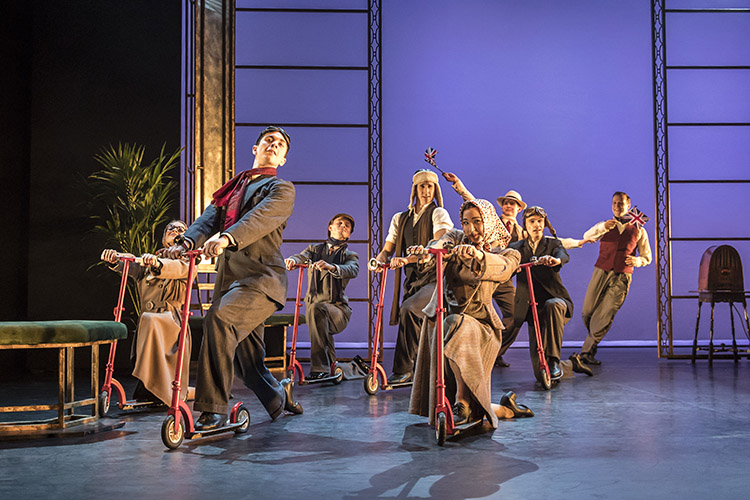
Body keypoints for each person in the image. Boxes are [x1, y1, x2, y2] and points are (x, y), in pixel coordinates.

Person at [164, 126, 302, 431]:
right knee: (247, 362)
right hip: (231, 281)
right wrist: (186, 242)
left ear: (283, 158)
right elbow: (207, 219)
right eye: (269, 140)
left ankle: (213, 409)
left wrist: (227, 238)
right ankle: (279, 397)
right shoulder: (232, 189)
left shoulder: (281, 189)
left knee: (220, 319)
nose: (274, 145)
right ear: (255, 148)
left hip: (262, 280)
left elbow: (259, 219)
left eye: (280, 145)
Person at [409, 199, 533, 429]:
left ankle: (462, 402)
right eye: (465, 223)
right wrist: (426, 253)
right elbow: (441, 245)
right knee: (480, 405)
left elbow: (504, 268)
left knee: (458, 323)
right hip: (444, 324)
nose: (470, 229)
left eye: (477, 222)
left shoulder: (508, 251)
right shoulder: (457, 238)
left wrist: (478, 256)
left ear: (487, 221)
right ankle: (504, 407)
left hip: (481, 326)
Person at [370, 169, 453, 385]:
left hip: (436, 280)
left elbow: (438, 244)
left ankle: (404, 370)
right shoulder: (400, 218)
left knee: (408, 310)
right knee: (410, 312)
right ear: (415, 189)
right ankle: (418, 368)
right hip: (412, 281)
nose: (426, 191)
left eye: (430, 187)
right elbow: (387, 249)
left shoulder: (439, 214)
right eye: (422, 186)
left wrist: (408, 259)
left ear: (436, 190)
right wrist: (379, 260)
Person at [100, 220, 193, 406]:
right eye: (170, 229)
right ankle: (148, 389)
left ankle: (167, 391)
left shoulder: (187, 260)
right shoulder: (150, 260)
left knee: (150, 319)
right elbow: (134, 265)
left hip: (171, 321)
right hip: (150, 321)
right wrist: (116, 259)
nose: (175, 231)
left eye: (180, 229)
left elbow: (177, 269)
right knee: (148, 319)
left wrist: (158, 263)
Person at [442, 173, 525, 367]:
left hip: (501, 276)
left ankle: (494, 351)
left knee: (515, 314)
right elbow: (473, 207)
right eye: (506, 203)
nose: (508, 206)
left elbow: (525, 251)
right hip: (477, 271)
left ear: (519, 208)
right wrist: (459, 186)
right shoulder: (490, 218)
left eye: (513, 204)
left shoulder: (522, 231)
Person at [507, 206, 593, 383]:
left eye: (540, 221)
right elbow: (506, 262)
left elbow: (563, 254)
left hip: (557, 302)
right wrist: (509, 266)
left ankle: (554, 360)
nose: (537, 225)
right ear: (525, 225)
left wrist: (556, 260)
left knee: (552, 305)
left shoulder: (552, 244)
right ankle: (571, 364)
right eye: (532, 221)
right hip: (531, 307)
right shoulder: (516, 248)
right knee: (541, 375)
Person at [571, 191, 652, 367]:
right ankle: (591, 348)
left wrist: (637, 260)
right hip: (601, 270)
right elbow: (586, 236)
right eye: (614, 203)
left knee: (605, 314)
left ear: (628, 206)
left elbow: (647, 257)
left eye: (621, 203)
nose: (617, 206)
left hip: (622, 275)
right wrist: (602, 228)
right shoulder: (605, 225)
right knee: (588, 312)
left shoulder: (639, 229)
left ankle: (585, 353)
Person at [284, 213, 359, 379]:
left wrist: (331, 267)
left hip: (338, 311)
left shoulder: (350, 255)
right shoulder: (314, 249)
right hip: (315, 307)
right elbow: (301, 256)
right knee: (317, 314)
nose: (343, 227)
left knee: (318, 309)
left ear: (349, 234)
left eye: (347, 226)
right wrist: (292, 260)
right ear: (330, 227)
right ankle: (340, 369)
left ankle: (320, 369)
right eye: (339, 223)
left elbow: (352, 270)